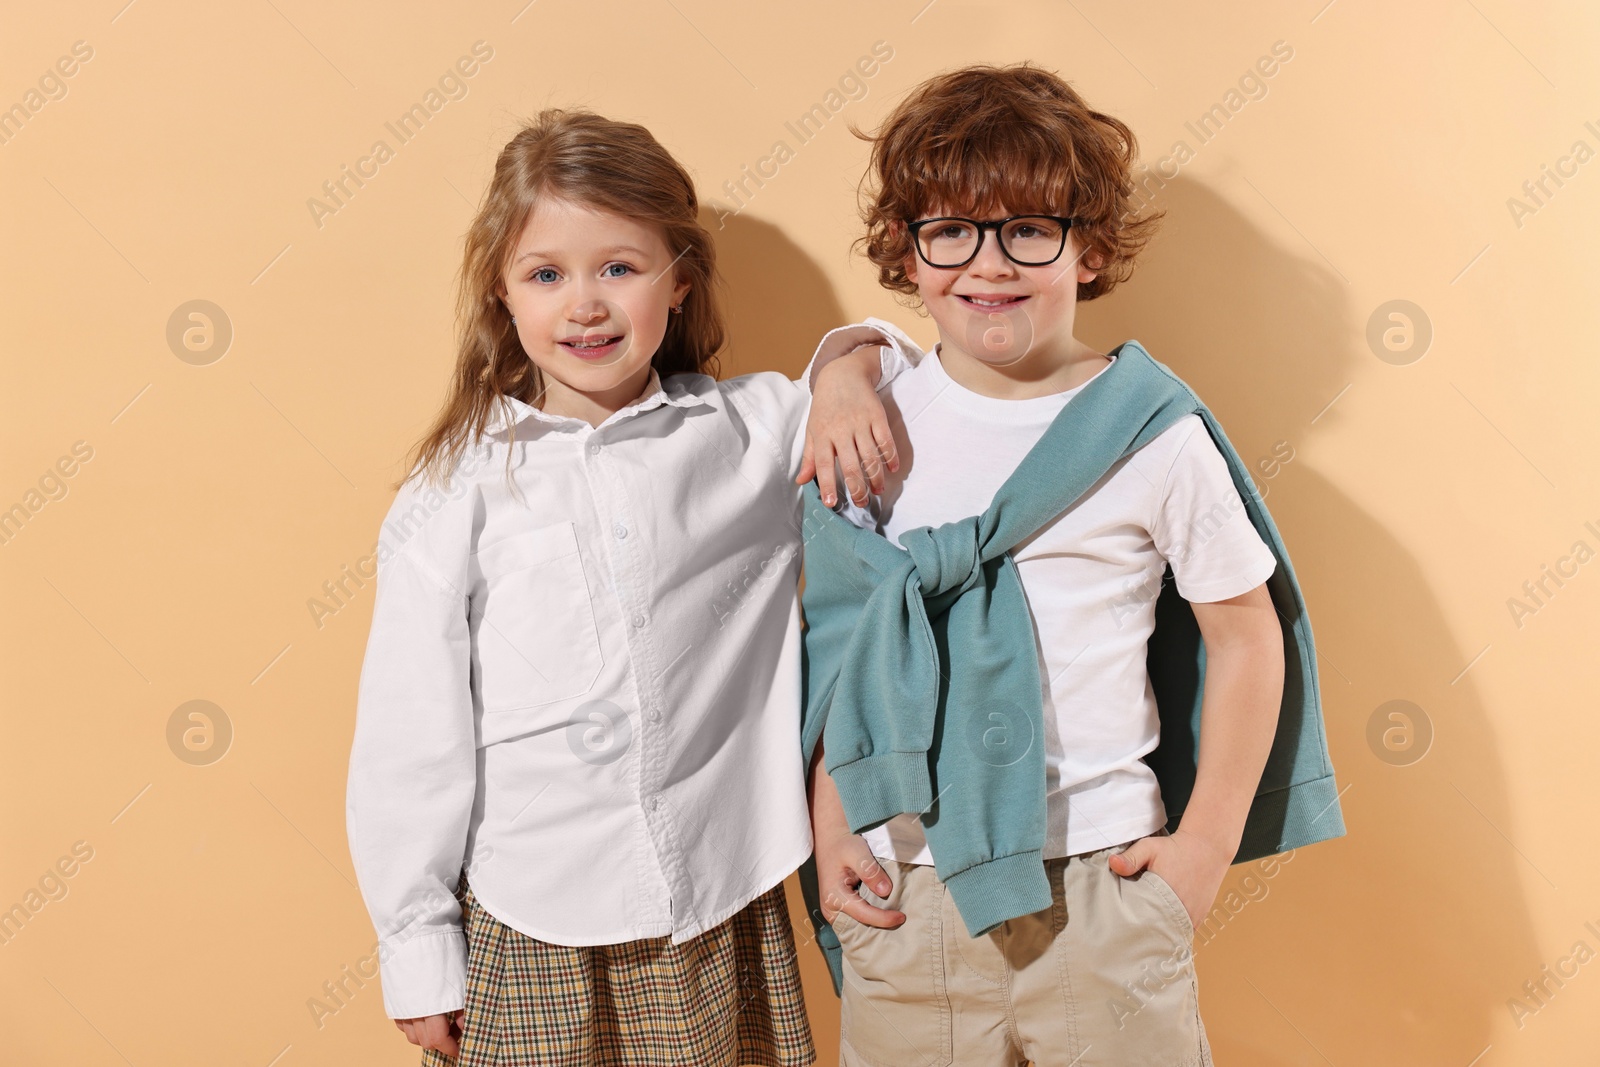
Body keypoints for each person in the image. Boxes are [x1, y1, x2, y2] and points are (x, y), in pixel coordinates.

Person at [345, 107, 912, 1067]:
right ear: (503, 291)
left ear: (678, 281)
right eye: (547, 274)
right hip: (530, 919)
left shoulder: (750, 431)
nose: (586, 305)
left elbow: (897, 359)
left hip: (720, 896)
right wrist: (417, 944)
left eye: (619, 267)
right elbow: (411, 736)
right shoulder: (456, 490)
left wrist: (850, 367)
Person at [801, 64, 1343, 1065]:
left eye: (1029, 229)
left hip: (1100, 885)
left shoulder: (1148, 432)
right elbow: (850, 643)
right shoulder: (870, 427)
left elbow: (1244, 636)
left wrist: (1201, 853)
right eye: (951, 230)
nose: (989, 264)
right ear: (905, 252)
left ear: (1089, 248)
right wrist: (833, 824)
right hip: (907, 891)